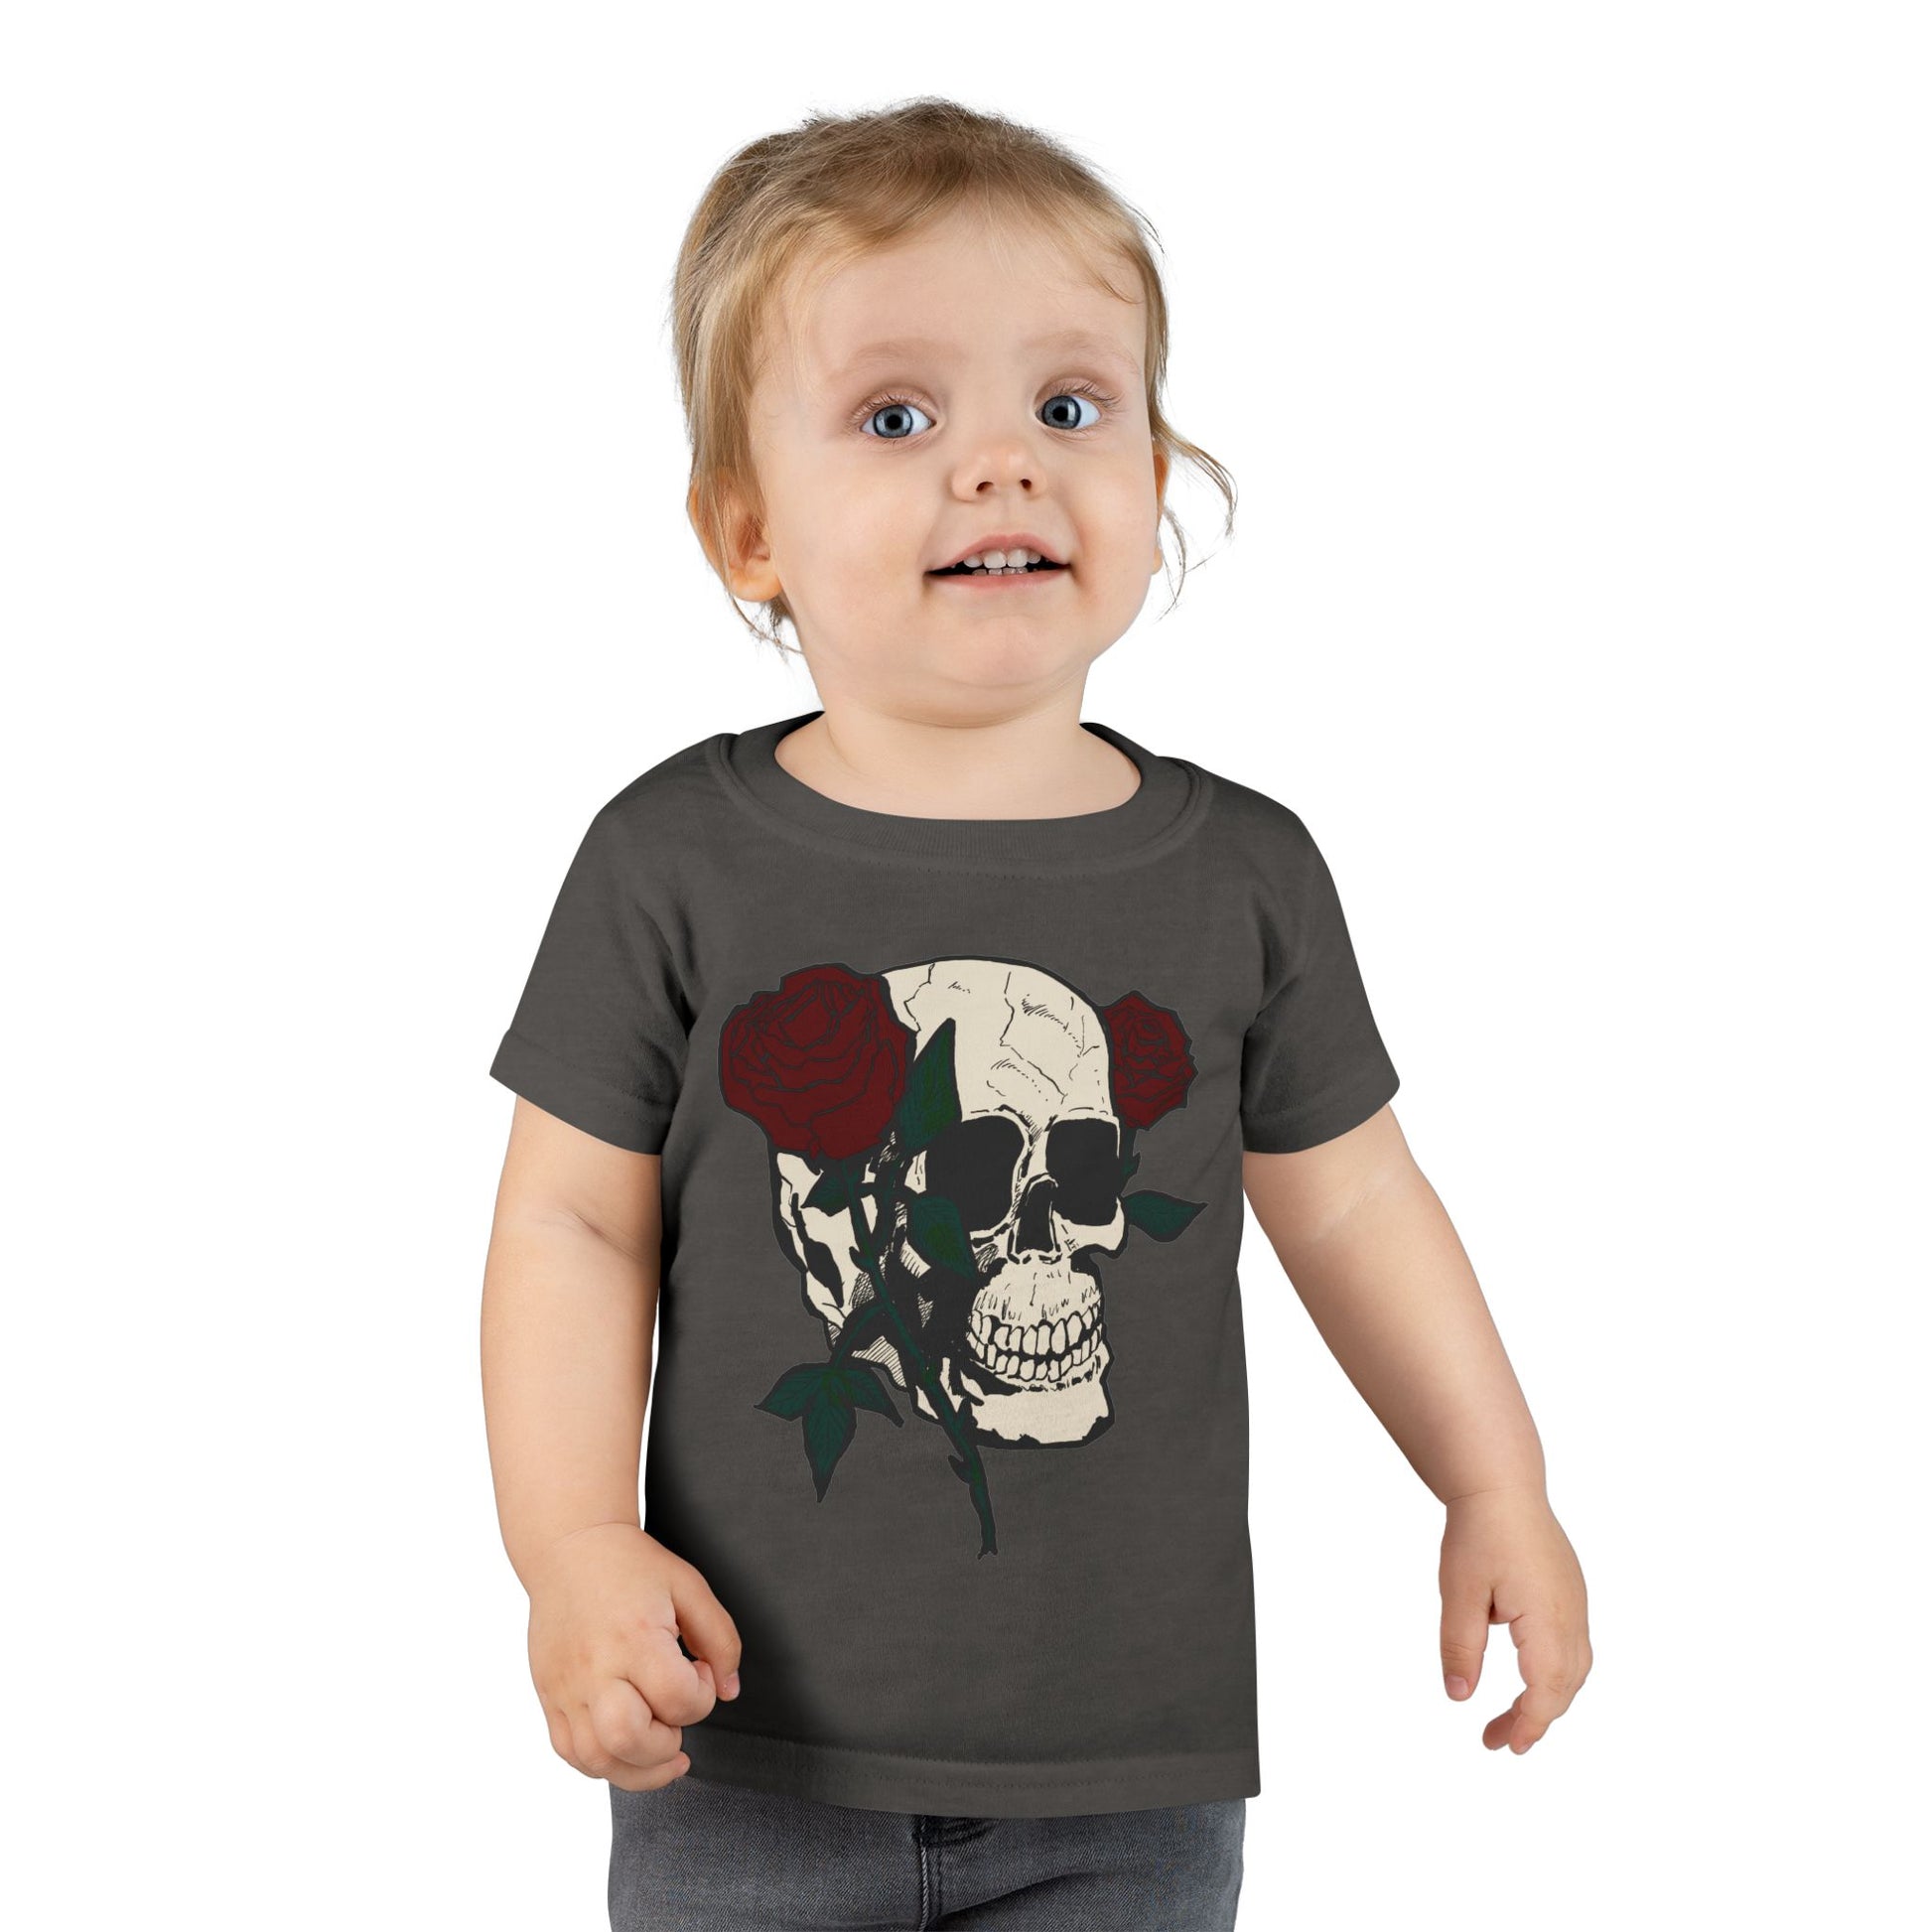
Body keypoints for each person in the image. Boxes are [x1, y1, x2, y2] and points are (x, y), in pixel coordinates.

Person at [481, 96, 1591, 1932]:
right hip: (742, 1753)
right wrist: (572, 1544)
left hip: (1128, 1778)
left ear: (1155, 473)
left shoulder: (1242, 873)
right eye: (896, 416)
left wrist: (1498, 1479)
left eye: (1069, 406)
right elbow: (573, 1224)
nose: (1001, 464)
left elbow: (1354, 1202)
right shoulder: (669, 861)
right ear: (747, 529)